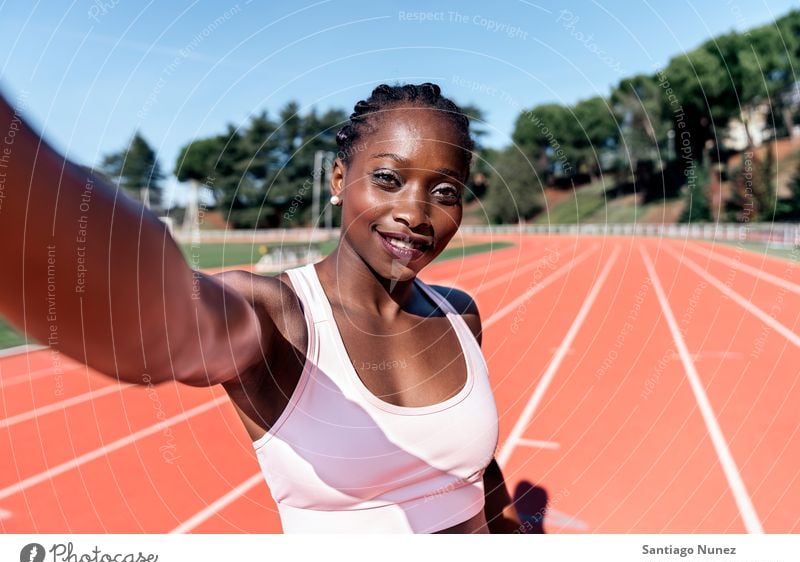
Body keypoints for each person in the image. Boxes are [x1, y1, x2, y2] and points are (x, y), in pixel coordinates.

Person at [0, 82, 522, 533]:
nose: (414, 212)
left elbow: (473, 474)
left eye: (445, 191)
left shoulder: (459, 315)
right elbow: (165, 325)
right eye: (388, 179)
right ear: (338, 180)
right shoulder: (278, 315)